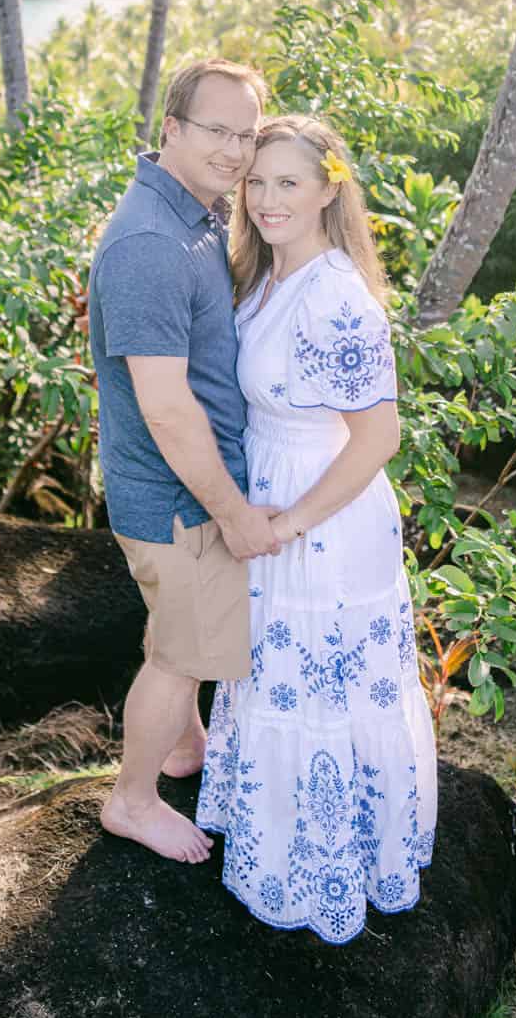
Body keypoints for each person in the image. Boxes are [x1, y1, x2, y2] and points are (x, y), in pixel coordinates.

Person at [196, 115, 438, 942]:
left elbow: (379, 436)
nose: (265, 199)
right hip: (268, 496)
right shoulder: (263, 275)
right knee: (272, 680)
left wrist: (289, 523)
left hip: (321, 519)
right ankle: (274, 841)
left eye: (288, 182)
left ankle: (329, 860)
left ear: (330, 188)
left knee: (321, 693)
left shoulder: (338, 296)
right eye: (256, 182)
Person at [89, 57, 281, 864]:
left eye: (247, 133)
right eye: (217, 131)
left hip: (178, 491)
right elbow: (166, 408)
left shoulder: (195, 214)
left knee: (178, 629)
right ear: (171, 129)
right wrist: (232, 512)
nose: (236, 152)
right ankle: (131, 800)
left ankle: (182, 747)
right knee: (182, 652)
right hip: (178, 497)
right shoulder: (149, 243)